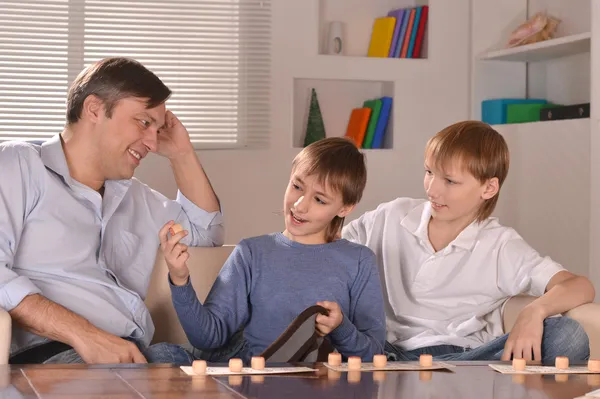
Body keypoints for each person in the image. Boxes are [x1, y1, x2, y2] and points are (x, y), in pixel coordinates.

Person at [1, 57, 224, 364]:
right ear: (93, 109)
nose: (151, 141)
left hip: (140, 353)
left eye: (158, 129)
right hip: (55, 355)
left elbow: (205, 233)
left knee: (239, 359)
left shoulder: (135, 195)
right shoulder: (19, 164)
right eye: (144, 122)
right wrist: (85, 335)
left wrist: (181, 154)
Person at [342, 120, 594, 363]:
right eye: (429, 172)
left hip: (464, 357)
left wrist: (534, 311)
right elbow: (331, 248)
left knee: (567, 335)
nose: (432, 190)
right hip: (383, 350)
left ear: (488, 188)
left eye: (449, 181)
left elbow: (579, 286)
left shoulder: (501, 244)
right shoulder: (392, 215)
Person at [155, 137, 385, 364]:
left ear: (345, 207)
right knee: (159, 355)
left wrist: (341, 327)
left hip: (320, 384)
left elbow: (375, 355)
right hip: (255, 381)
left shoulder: (359, 261)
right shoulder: (252, 252)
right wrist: (180, 279)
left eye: (319, 200)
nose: (299, 205)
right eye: (297, 187)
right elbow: (208, 337)